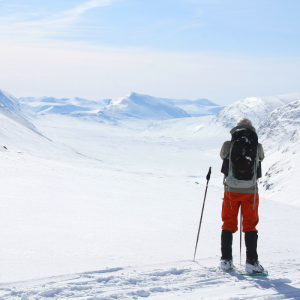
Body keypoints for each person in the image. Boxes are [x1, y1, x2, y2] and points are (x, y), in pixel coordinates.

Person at [220, 117, 264, 274]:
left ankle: (226, 261)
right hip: (250, 191)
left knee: (228, 223)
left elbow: (223, 157)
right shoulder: (257, 145)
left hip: (231, 190)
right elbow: (261, 158)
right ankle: (251, 263)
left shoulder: (228, 144)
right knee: (250, 225)